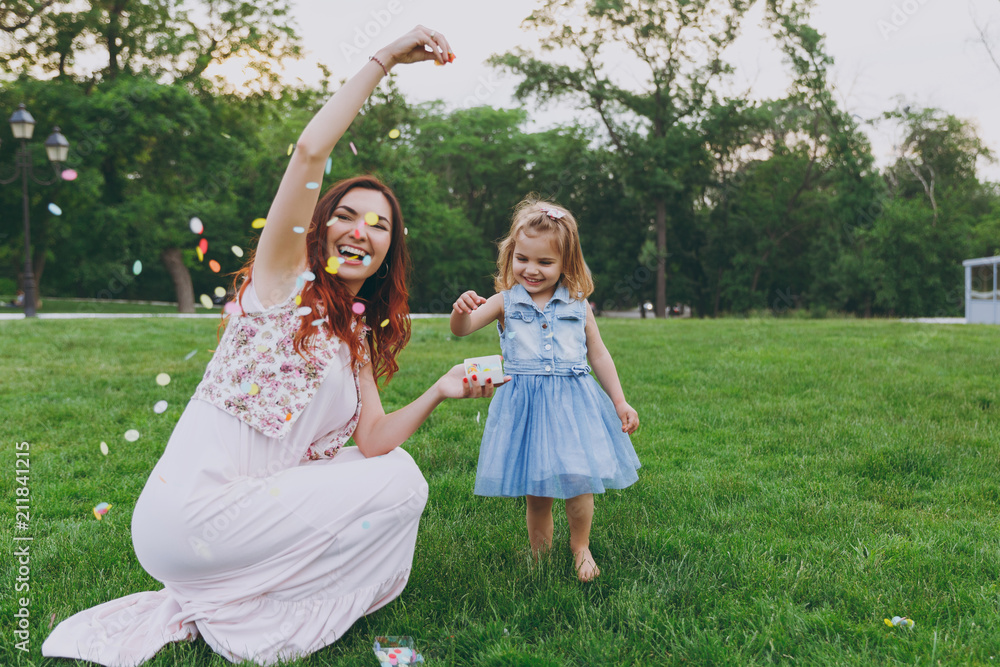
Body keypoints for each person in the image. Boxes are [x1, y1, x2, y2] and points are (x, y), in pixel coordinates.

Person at [42, 26, 493, 667]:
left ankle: (242, 592)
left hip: (241, 515)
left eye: (378, 224)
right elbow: (310, 152)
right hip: (189, 517)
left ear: (389, 250)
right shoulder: (283, 282)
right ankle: (256, 615)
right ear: (320, 227)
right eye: (345, 215)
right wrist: (386, 58)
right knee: (396, 483)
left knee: (399, 475)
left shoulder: (356, 336)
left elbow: (373, 441)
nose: (359, 230)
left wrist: (441, 390)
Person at [449, 198, 641, 582]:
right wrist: (459, 311)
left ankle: (580, 546)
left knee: (579, 484)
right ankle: (540, 555)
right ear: (511, 256)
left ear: (566, 263)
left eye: (545, 262)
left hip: (574, 406)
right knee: (537, 492)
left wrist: (619, 400)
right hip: (527, 409)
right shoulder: (505, 302)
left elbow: (599, 354)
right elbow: (463, 329)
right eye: (522, 259)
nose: (531, 270)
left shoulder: (578, 304)